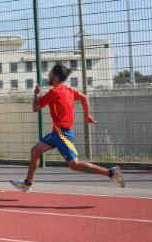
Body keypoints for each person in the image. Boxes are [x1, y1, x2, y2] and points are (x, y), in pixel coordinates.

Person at [11, 63, 125, 193]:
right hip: (57, 133)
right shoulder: (68, 90)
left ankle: (111, 173)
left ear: (55, 77)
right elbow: (84, 97)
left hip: (62, 134)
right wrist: (86, 115)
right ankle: (27, 183)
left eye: (50, 73)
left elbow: (35, 108)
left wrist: (36, 95)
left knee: (75, 165)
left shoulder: (53, 92)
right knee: (35, 151)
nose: (48, 75)